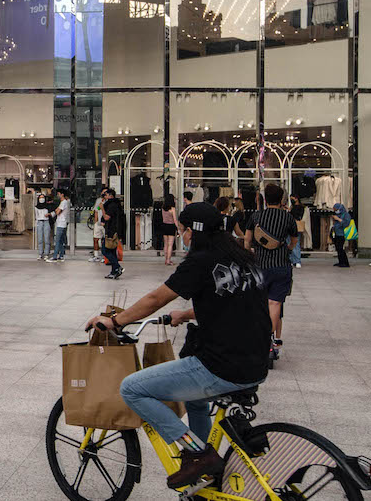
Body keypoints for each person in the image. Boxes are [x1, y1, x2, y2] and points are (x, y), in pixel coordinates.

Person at [90, 203, 269, 490]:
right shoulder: (243, 258)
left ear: (191, 233)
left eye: (182, 229)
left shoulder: (201, 261)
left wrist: (116, 321)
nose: (182, 235)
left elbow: (155, 299)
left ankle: (197, 455)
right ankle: (204, 469)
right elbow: (233, 304)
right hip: (256, 364)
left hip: (222, 367)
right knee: (196, 401)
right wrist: (186, 314)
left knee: (132, 388)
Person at [244, 183, 297, 364]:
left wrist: (251, 253)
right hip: (281, 266)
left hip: (260, 266)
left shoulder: (256, 216)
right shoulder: (287, 217)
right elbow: (294, 240)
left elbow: (247, 240)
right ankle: (269, 342)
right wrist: (287, 249)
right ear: (281, 199)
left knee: (258, 304)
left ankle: (256, 340)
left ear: (264, 199)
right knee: (275, 304)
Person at [101, 188, 124, 278]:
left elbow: (107, 217)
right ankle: (114, 271)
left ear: (111, 195)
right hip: (113, 230)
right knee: (112, 251)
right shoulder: (115, 204)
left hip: (111, 231)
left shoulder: (111, 205)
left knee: (105, 250)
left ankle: (117, 267)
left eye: (105, 195)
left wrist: (102, 208)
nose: (104, 197)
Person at [48, 189, 71, 263]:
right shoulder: (64, 202)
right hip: (62, 223)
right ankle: (61, 255)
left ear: (62, 194)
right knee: (61, 240)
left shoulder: (63, 202)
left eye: (58, 194)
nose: (58, 195)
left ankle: (55, 256)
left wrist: (57, 210)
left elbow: (57, 212)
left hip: (61, 224)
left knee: (57, 240)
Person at [88, 188, 108, 264]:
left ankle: (105, 256)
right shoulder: (99, 200)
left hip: (106, 223)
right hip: (99, 223)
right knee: (95, 239)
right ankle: (96, 255)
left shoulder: (109, 202)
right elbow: (96, 210)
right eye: (103, 193)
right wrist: (95, 222)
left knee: (105, 240)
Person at [330, 203, 351, 268]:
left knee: (340, 248)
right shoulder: (338, 215)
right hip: (336, 233)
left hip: (342, 234)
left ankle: (345, 263)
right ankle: (341, 262)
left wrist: (338, 219)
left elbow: (346, 224)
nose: (336, 211)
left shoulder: (346, 215)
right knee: (338, 248)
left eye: (336, 209)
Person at [162, 193, 178, 266]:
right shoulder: (172, 209)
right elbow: (175, 220)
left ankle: (166, 259)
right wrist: (178, 228)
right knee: (170, 245)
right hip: (171, 226)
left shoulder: (163, 208)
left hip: (164, 225)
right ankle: (168, 260)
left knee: (165, 244)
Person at [35, 191, 52, 260]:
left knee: (47, 238)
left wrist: (49, 214)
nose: (41, 199)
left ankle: (46, 253)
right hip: (39, 222)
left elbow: (52, 212)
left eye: (43, 198)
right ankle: (40, 253)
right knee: (40, 239)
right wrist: (36, 224)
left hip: (46, 221)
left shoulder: (48, 206)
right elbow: (36, 216)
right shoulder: (36, 207)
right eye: (40, 198)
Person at [289, 195, 305, 269]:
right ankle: (292, 260)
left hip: (296, 226)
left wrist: (290, 211)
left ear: (296, 198)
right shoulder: (292, 206)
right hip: (290, 226)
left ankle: (297, 261)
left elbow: (298, 216)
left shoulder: (300, 207)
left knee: (296, 243)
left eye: (292, 198)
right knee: (290, 242)